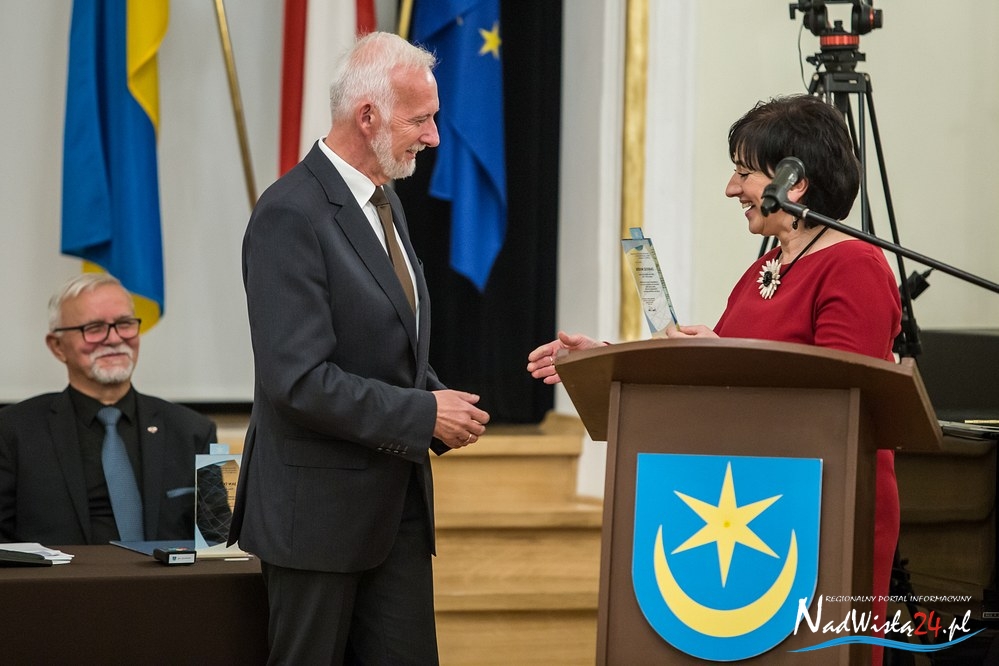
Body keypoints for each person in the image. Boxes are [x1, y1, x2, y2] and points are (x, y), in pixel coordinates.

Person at [528, 94, 901, 665]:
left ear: (794, 184)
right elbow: (728, 380)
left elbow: (840, 404)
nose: (732, 189)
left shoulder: (854, 266)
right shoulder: (766, 267)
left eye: (744, 173)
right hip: (751, 497)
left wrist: (724, 354)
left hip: (823, 508)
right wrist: (605, 357)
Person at [230, 31, 490, 665]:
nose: (434, 137)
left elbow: (386, 341)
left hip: (396, 512)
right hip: (316, 521)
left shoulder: (384, 200)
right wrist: (423, 414)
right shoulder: (290, 213)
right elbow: (298, 382)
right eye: (420, 120)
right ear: (367, 115)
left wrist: (441, 398)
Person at [0, 272, 217, 545]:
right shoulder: (12, 433)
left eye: (125, 324)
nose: (114, 339)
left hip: (164, 575)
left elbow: (218, 545)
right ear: (57, 346)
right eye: (93, 328)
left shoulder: (193, 432)